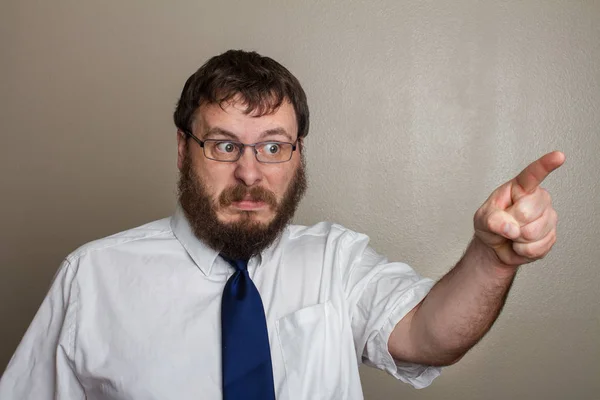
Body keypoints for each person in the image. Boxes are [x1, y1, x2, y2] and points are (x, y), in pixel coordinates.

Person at [0, 50, 564, 400]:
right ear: (183, 149)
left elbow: (428, 337)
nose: (250, 173)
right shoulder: (92, 276)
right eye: (224, 145)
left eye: (273, 146)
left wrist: (493, 258)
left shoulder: (336, 261)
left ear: (298, 155)